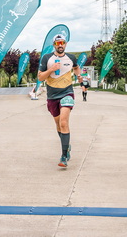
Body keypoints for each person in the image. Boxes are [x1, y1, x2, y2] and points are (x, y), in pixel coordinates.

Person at [38, 34, 82, 168]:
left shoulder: (71, 58)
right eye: (58, 43)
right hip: (52, 95)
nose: (60, 45)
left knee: (63, 122)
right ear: (54, 45)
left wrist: (79, 76)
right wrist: (51, 69)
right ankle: (66, 146)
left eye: (62, 42)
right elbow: (40, 77)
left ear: (66, 44)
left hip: (67, 92)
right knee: (58, 125)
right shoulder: (47, 58)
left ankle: (63, 156)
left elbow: (76, 67)